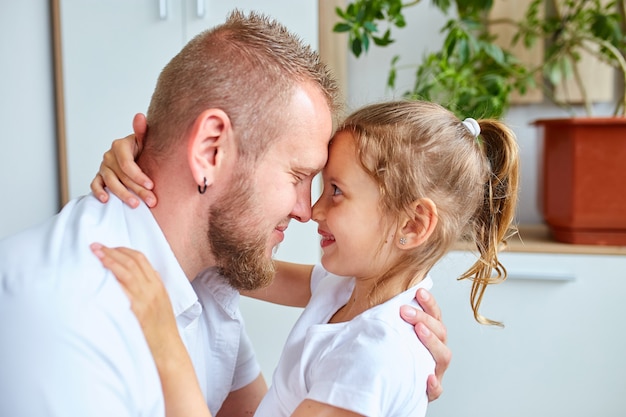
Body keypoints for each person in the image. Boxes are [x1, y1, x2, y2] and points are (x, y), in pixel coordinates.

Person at [0, 10, 449, 417]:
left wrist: (387, 379)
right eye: (298, 175)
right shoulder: (61, 316)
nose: (306, 210)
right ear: (211, 150)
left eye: (329, 188)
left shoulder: (210, 275)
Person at [91, 100, 520, 416]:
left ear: (411, 225)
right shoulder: (347, 288)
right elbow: (243, 270)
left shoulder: (373, 355)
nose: (312, 210)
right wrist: (155, 167)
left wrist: (164, 337)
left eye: (336, 191)